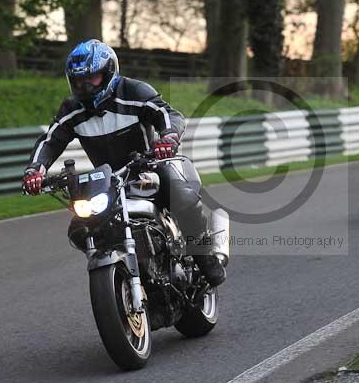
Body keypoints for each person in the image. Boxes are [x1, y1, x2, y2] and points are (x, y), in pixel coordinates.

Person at [22, 39, 226, 286]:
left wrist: (168, 137)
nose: (85, 86)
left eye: (92, 78)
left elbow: (167, 114)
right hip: (107, 180)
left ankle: (206, 260)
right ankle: (120, 268)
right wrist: (35, 169)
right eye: (78, 81)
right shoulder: (72, 109)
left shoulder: (134, 92)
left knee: (182, 198)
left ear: (108, 73)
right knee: (79, 228)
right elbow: (51, 140)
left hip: (148, 168)